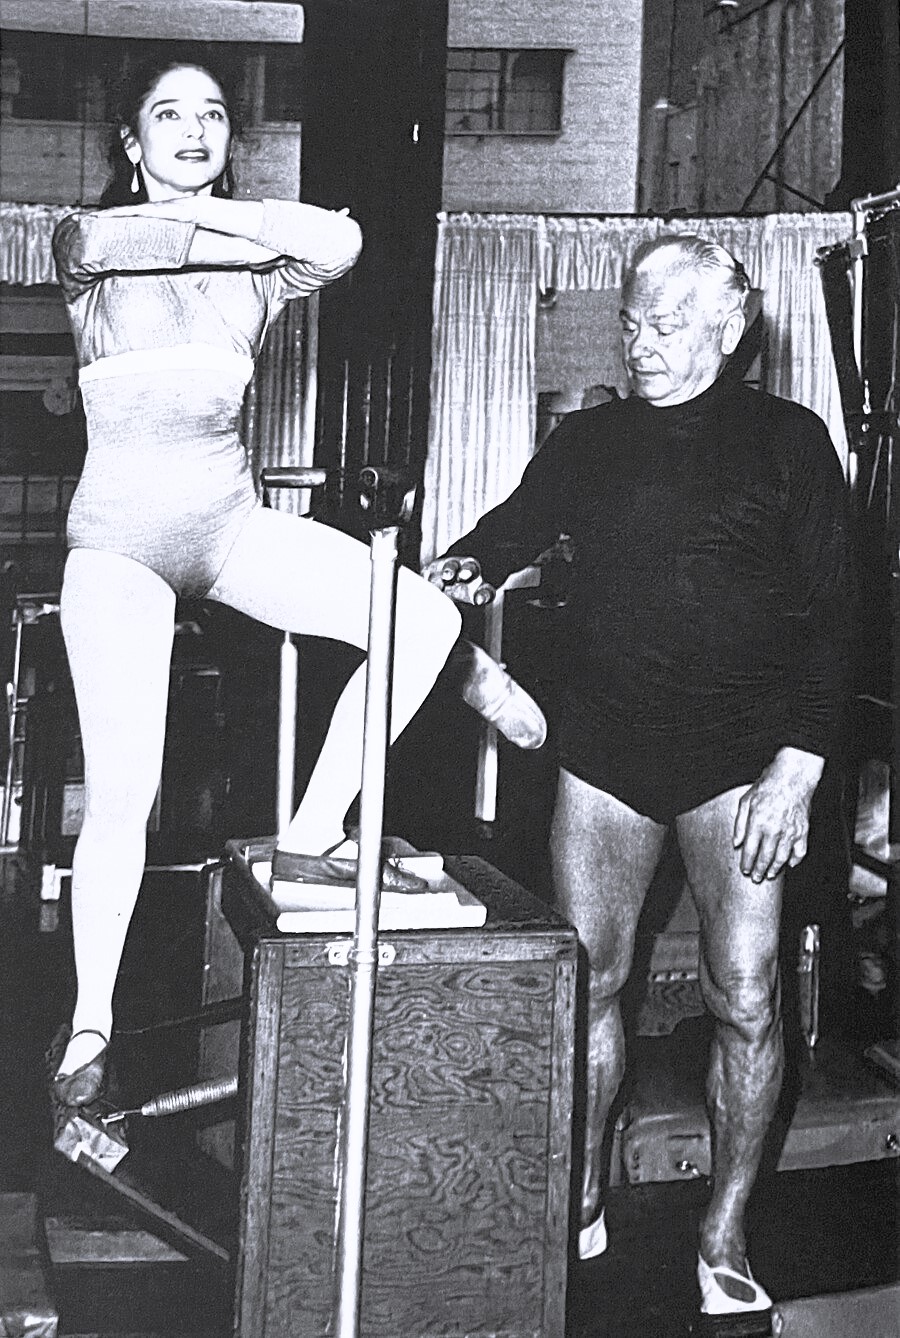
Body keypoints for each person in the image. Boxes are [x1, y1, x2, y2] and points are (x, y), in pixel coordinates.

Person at [48, 58, 545, 1111]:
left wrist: (233, 220)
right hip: (118, 550)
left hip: (229, 530)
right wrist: (235, 221)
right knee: (125, 791)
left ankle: (315, 831)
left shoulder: (260, 275)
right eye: (168, 115)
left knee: (419, 617)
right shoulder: (87, 248)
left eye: (215, 114)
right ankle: (91, 1019)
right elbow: (112, 237)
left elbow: (344, 242)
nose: (195, 130)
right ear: (129, 143)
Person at [425, 234, 851, 1318]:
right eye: (630, 323)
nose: (641, 344)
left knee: (745, 997)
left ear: (730, 328)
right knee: (591, 983)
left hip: (742, 760)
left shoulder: (790, 443)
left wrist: (798, 768)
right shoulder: (592, 439)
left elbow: (842, 619)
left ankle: (723, 1230)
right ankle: (580, 1190)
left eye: (666, 325)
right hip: (609, 749)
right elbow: (515, 528)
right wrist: (463, 564)